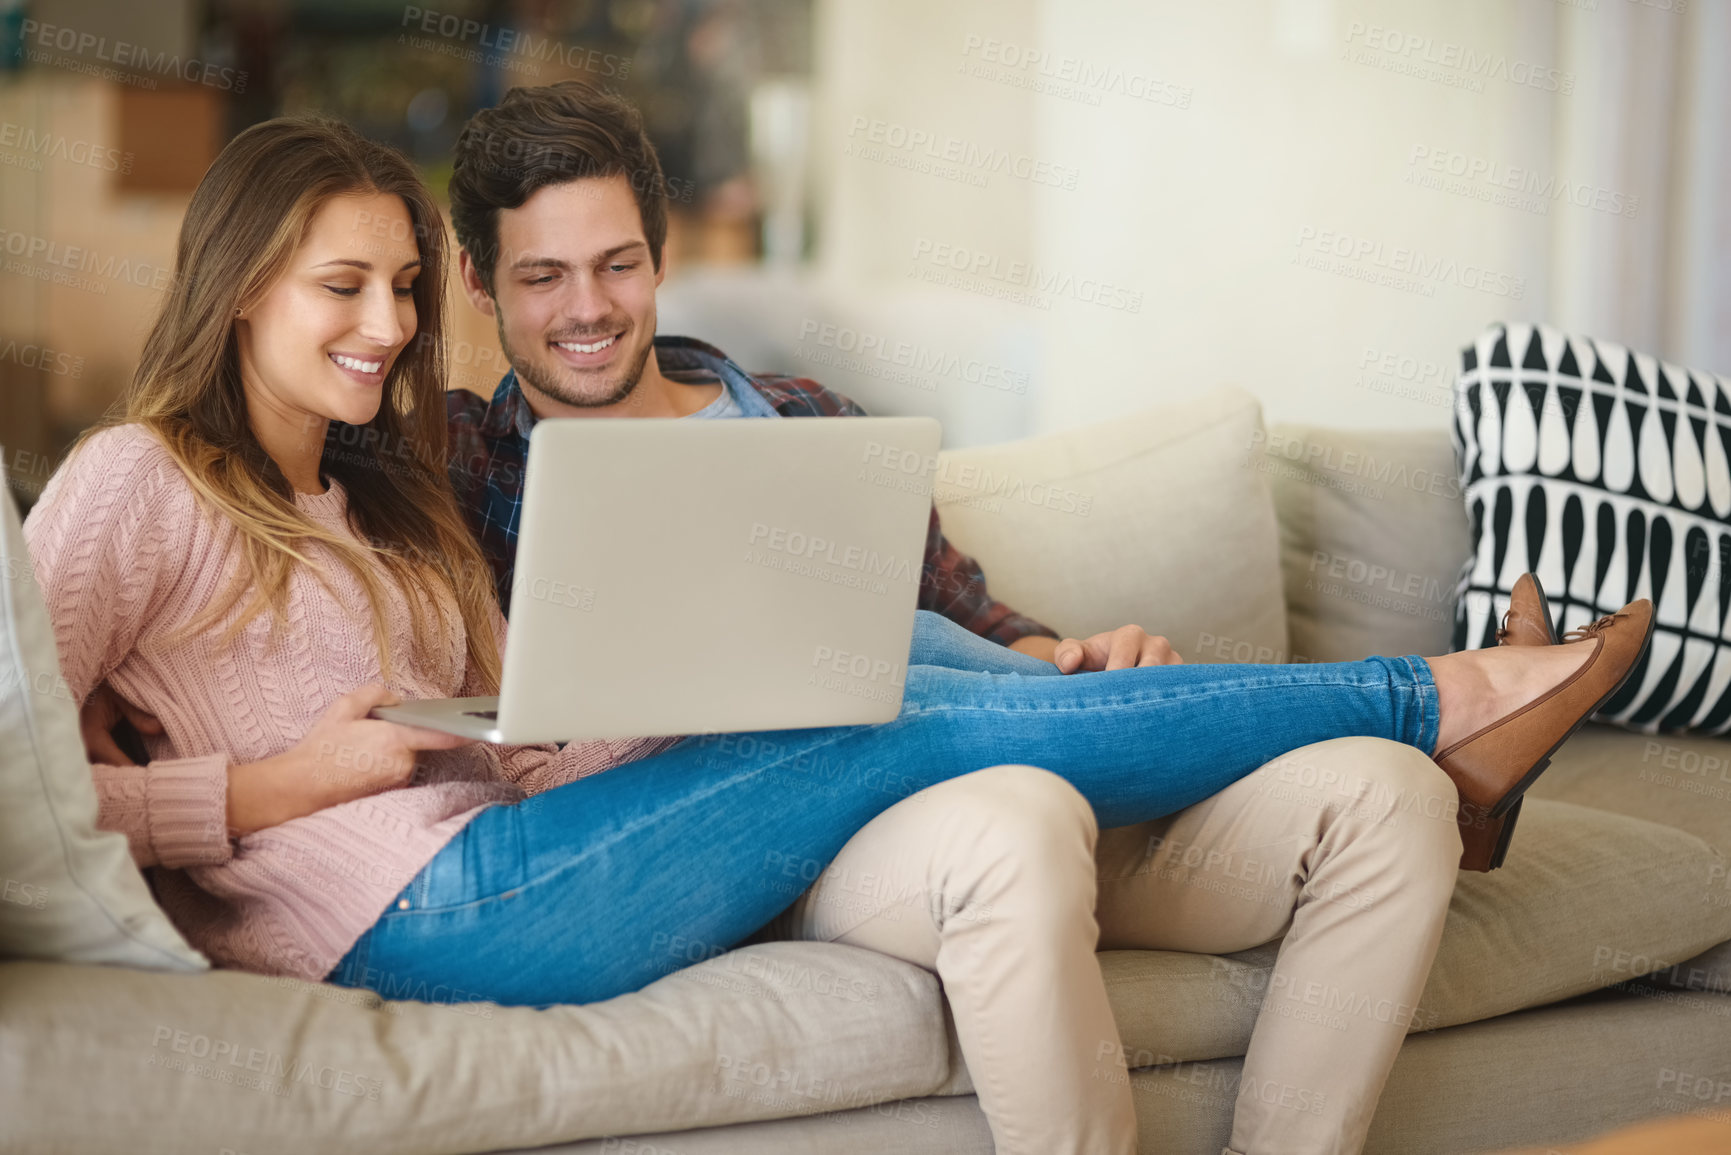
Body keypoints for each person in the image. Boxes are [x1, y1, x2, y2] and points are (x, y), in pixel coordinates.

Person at [36, 115, 1648, 1155]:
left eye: (398, 290)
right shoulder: (138, 483)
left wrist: (593, 719)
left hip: (524, 846)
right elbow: (14, 787)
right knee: (869, 699)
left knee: (875, 656)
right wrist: (254, 794)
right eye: (343, 290)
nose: (387, 328)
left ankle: (1413, 722)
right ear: (239, 287)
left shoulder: (393, 498)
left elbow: (519, 730)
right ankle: (1429, 693)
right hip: (407, 909)